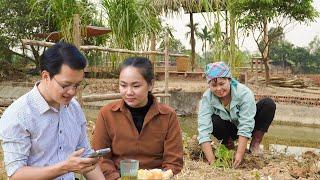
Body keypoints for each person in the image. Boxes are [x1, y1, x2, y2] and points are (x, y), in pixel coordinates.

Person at [0, 42, 104, 179]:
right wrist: (65, 167)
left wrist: (88, 162)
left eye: (77, 85)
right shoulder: (19, 115)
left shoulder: (74, 108)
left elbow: (84, 154)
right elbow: (16, 174)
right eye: (65, 85)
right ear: (46, 77)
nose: (72, 92)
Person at [92, 57, 184, 179]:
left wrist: (160, 176)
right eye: (123, 85)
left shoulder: (168, 115)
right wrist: (115, 177)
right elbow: (102, 158)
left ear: (151, 85)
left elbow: (173, 161)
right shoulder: (107, 114)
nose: (129, 92)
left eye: (136, 86)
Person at [197, 61, 276, 168]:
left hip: (249, 126)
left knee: (268, 104)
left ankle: (255, 144)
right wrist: (212, 161)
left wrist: (239, 155)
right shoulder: (207, 98)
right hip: (229, 129)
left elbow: (245, 124)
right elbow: (203, 130)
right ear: (209, 85)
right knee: (213, 120)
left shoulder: (244, 93)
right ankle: (228, 144)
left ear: (229, 80)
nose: (219, 89)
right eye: (214, 85)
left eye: (222, 84)